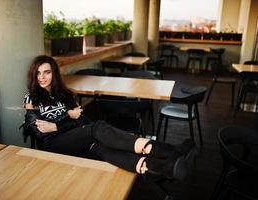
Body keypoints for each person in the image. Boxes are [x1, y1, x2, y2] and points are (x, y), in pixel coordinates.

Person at [22, 55, 196, 181]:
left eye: (47, 72)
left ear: (54, 74)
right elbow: (40, 133)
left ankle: (164, 168)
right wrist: (67, 118)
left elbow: (80, 120)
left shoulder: (64, 95)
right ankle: (172, 151)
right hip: (54, 145)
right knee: (97, 128)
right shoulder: (31, 99)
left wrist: (59, 124)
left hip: (75, 137)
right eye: (38, 73)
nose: (42, 77)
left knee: (103, 149)